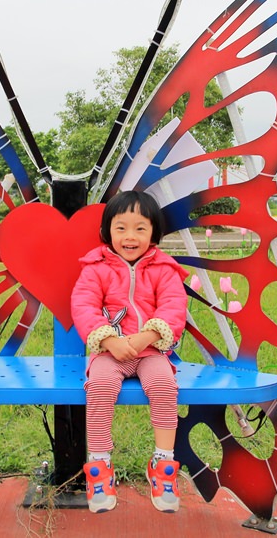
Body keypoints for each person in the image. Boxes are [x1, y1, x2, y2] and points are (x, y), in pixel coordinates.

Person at [70, 190, 188, 513]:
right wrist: (109, 341)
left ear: (154, 233)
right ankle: (99, 467)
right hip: (109, 353)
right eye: (121, 228)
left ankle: (163, 466)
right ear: (108, 232)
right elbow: (84, 306)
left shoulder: (165, 269)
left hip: (150, 352)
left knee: (165, 385)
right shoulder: (96, 267)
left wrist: (148, 336)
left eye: (140, 228)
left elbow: (174, 307)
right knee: (101, 385)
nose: (130, 237)